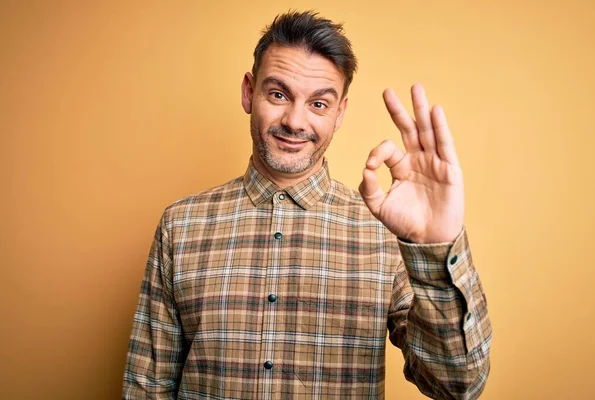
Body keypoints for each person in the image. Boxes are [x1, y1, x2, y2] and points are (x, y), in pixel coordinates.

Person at [122, 10, 491, 400]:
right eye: (278, 95)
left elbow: (457, 385)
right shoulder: (181, 225)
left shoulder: (385, 231)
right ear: (249, 92)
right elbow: (147, 387)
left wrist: (435, 247)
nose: (295, 121)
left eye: (318, 104)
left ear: (339, 113)